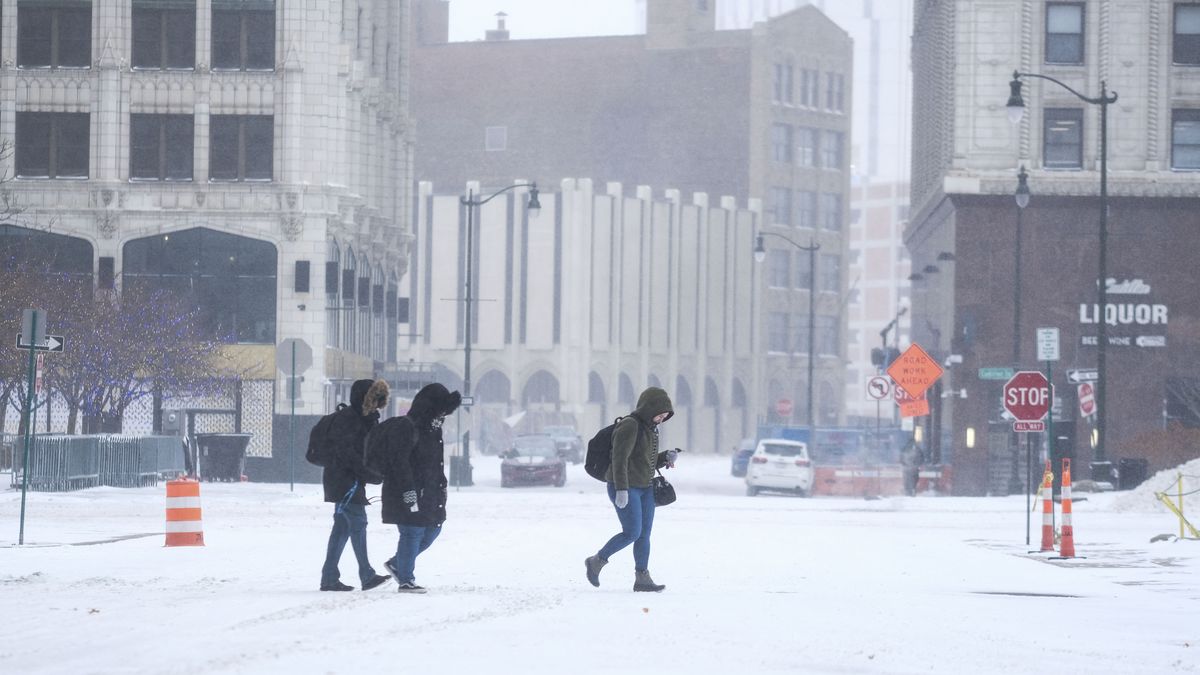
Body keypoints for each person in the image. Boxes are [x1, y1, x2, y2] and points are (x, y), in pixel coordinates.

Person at [368, 382, 461, 593]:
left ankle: (397, 564)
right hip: (405, 491)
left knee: (433, 530)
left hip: (429, 492)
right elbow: (399, 462)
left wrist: (441, 486)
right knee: (412, 533)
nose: (442, 416)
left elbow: (435, 463)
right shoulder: (408, 428)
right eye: (441, 411)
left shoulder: (433, 430)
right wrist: (408, 491)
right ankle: (406, 579)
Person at [584, 386, 679, 592]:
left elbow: (645, 461)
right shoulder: (630, 425)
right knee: (632, 533)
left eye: (664, 416)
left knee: (644, 534)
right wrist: (621, 489)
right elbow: (619, 459)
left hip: (645, 488)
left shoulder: (650, 429)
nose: (661, 419)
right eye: (659, 415)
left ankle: (642, 578)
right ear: (649, 409)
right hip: (625, 487)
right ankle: (596, 561)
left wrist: (665, 457)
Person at [319, 378, 391, 592]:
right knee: (358, 524)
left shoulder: (362, 418)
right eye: (375, 398)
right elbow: (349, 455)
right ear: (366, 398)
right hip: (345, 481)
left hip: (343, 479)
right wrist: (370, 474)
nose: (378, 403)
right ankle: (366, 575)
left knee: (341, 528)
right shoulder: (350, 420)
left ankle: (329, 577)